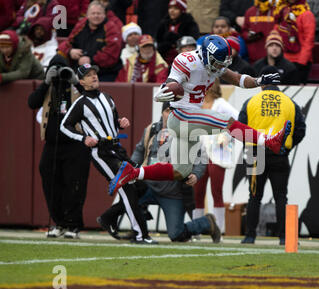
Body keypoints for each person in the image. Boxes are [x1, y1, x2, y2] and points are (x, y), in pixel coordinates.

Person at [108, 35, 290, 207]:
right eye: (218, 63)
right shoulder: (186, 61)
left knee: (180, 171)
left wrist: (259, 81)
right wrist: (166, 90)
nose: (220, 67)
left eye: (223, 63)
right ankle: (269, 141)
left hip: (189, 119)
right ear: (206, 55)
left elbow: (237, 79)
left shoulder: (213, 63)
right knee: (226, 121)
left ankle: (133, 172)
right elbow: (172, 82)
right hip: (181, 116)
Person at [60, 63, 152, 244]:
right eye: (88, 75)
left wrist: (120, 122)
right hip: (101, 152)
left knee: (141, 186)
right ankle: (141, 236)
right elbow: (64, 125)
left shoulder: (107, 97)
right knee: (128, 188)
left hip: (117, 148)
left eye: (95, 73)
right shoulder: (80, 103)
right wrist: (83, 138)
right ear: (81, 81)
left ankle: (108, 217)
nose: (94, 76)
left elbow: (111, 121)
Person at [116, 102, 221, 243]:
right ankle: (139, 231)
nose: (171, 114)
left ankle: (207, 223)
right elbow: (139, 151)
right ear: (161, 113)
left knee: (176, 235)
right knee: (129, 195)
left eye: (175, 111)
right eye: (167, 110)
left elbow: (201, 157)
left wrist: (196, 174)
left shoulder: (187, 132)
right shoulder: (151, 129)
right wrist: (130, 169)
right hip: (149, 186)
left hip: (172, 192)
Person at [238, 65, 306, 245]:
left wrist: (251, 147)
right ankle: (284, 237)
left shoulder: (251, 102)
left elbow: (239, 129)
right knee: (281, 197)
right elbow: (300, 130)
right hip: (280, 154)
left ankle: (250, 236)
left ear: (261, 82)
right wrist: (286, 148)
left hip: (256, 154)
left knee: (254, 196)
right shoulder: (289, 103)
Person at [27, 54, 91, 239]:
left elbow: (92, 99)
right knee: (51, 182)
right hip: (52, 144)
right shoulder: (48, 89)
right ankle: (59, 222)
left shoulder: (76, 89)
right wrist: (47, 82)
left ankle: (73, 225)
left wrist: (75, 81)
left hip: (76, 144)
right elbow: (32, 102)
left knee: (75, 184)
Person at [193, 79, 240, 234]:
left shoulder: (221, 104)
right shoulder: (197, 103)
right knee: (198, 192)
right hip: (200, 152)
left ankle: (219, 229)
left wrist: (226, 135)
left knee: (216, 191)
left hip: (217, 153)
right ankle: (196, 230)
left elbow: (239, 119)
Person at [57, 1, 123, 82]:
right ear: (87, 15)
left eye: (99, 13)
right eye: (93, 13)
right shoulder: (81, 25)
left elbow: (111, 55)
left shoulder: (112, 28)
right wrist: (70, 51)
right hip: (80, 70)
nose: (96, 16)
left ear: (104, 15)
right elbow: (66, 44)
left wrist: (90, 60)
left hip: (104, 73)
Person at [273, 0, 316, 84]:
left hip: (300, 61)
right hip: (283, 59)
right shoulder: (281, 11)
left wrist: (301, 62)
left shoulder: (307, 14)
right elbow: (276, 33)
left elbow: (309, 40)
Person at [156, 0, 200, 66]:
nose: (172, 11)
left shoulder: (189, 23)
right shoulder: (164, 23)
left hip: (184, 61)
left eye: (176, 8)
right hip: (165, 60)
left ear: (182, 10)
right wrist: (168, 45)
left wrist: (176, 39)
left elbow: (192, 41)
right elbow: (158, 41)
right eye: (170, 8)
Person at [241, 0, 277, 65]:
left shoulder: (276, 11)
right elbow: (244, 31)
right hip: (253, 58)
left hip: (273, 58)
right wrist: (248, 35)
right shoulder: (250, 12)